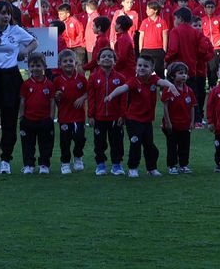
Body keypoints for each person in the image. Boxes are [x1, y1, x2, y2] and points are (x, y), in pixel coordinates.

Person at [0, 0, 38, 175]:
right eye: (2, 13)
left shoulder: (16, 30)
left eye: (8, 13)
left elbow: (34, 42)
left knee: (9, 121)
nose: (6, 16)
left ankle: (6, 159)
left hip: (10, 78)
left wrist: (23, 52)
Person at [106, 56, 177, 178]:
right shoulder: (134, 81)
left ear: (152, 68)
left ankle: (152, 168)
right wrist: (111, 95)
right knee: (135, 143)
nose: (142, 68)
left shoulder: (153, 79)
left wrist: (171, 85)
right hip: (133, 119)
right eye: (139, 65)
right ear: (136, 67)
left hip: (147, 120)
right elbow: (122, 88)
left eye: (145, 66)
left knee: (150, 146)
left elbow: (162, 82)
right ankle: (133, 168)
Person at [85, 46, 128, 176]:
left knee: (117, 142)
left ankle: (116, 164)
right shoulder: (93, 77)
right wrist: (91, 115)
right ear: (98, 61)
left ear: (115, 61)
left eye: (110, 56)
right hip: (99, 117)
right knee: (99, 143)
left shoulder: (120, 77)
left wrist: (122, 115)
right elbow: (91, 98)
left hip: (115, 117)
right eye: (103, 56)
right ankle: (100, 164)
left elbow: (124, 98)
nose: (107, 58)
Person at [17, 54, 56, 175]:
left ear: (44, 66)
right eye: (32, 66)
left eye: (38, 65)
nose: (35, 69)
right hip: (28, 120)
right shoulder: (26, 84)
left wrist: (51, 117)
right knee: (28, 144)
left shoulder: (49, 84)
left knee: (45, 144)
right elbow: (22, 101)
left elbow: (52, 101)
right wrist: (21, 117)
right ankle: (29, 164)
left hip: (45, 119)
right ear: (28, 67)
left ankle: (44, 164)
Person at [159, 61, 198, 174]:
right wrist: (168, 122)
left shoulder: (189, 91)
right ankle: (172, 166)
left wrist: (192, 121)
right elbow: (165, 107)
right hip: (173, 125)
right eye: (180, 73)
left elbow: (192, 107)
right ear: (172, 76)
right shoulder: (169, 89)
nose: (184, 75)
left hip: (185, 125)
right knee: (172, 146)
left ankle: (184, 165)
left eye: (185, 73)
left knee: (184, 146)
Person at [53, 50, 88, 174]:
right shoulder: (57, 80)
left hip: (79, 116)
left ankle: (78, 157)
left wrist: (82, 98)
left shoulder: (82, 79)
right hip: (64, 117)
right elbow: (55, 98)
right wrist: (58, 96)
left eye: (70, 61)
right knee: (65, 141)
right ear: (60, 64)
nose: (68, 63)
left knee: (79, 138)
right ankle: (65, 162)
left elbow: (88, 92)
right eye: (65, 61)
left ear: (76, 63)